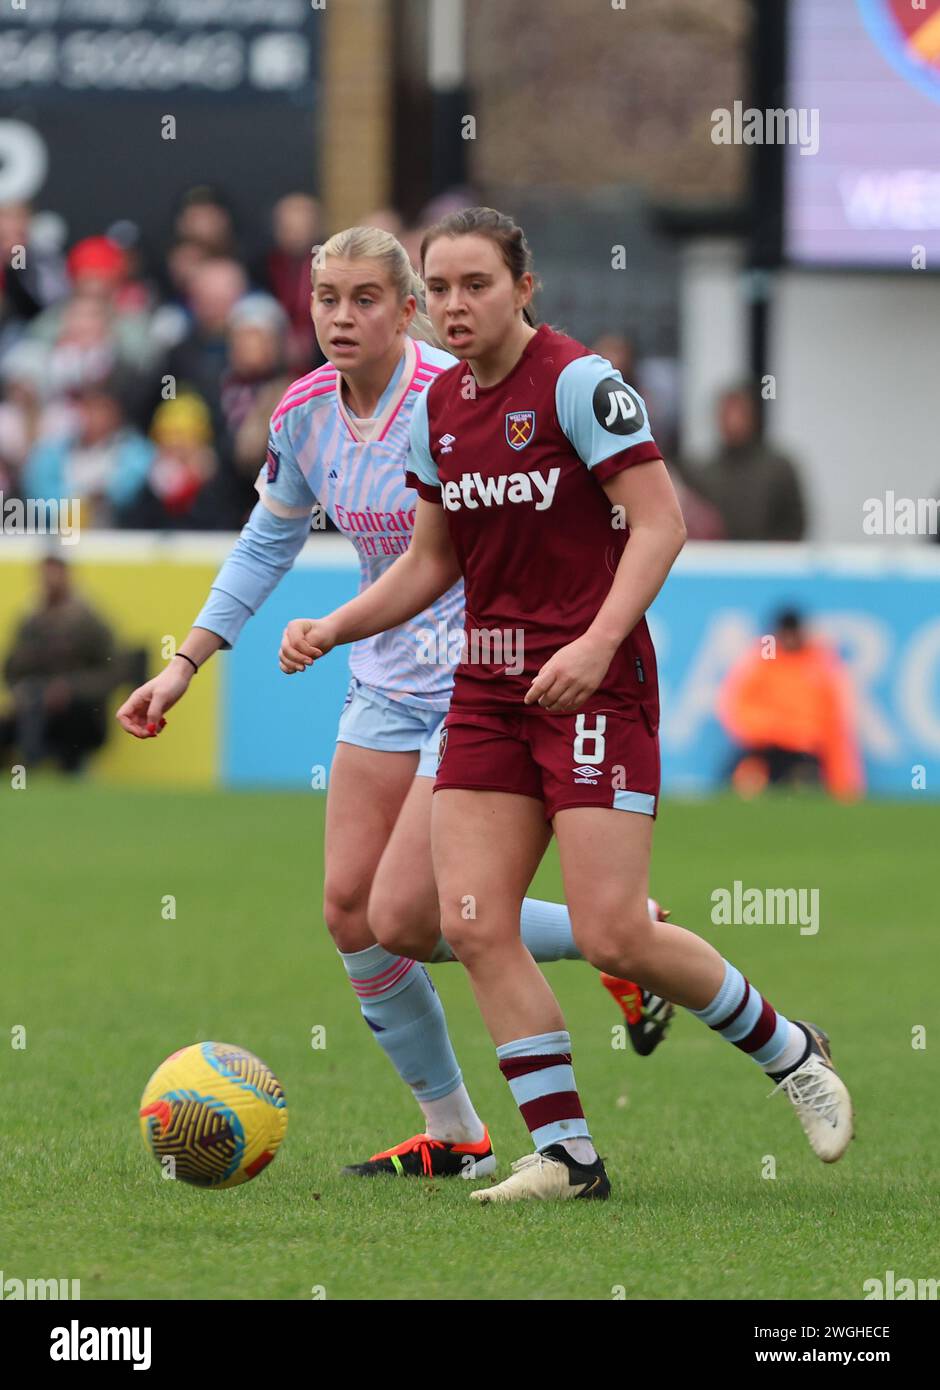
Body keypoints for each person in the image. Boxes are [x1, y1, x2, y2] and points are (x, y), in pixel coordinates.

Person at [279, 207, 854, 1204]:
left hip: (594, 687)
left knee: (615, 934)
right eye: (442, 288)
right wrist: (338, 622)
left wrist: (594, 644)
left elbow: (660, 524)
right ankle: (567, 1155)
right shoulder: (437, 410)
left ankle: (790, 1050)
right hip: (488, 690)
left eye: (477, 285)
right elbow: (431, 558)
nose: (457, 306)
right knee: (444, 917)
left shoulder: (580, 383)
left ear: (522, 287)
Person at [115, 225, 672, 1182]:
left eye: (364, 299)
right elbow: (263, 545)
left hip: (481, 678)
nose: (340, 317)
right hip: (382, 678)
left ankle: (616, 940)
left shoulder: (450, 395)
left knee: (420, 911)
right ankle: (456, 1129)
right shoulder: (301, 415)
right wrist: (186, 663)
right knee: (350, 913)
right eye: (326, 299)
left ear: (409, 308)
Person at [717, 609, 865, 800]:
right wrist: (772, 728)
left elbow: (834, 723)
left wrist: (846, 784)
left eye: (793, 634)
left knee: (804, 790)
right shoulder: (762, 660)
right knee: (743, 784)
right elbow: (738, 705)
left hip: (804, 750)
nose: (789, 640)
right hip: (764, 745)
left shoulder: (819, 663)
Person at [1, 555, 116, 774]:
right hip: (32, 706)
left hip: (79, 711)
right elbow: (11, 671)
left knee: (71, 723)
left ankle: (66, 772)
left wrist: (71, 688)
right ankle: (21, 775)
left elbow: (113, 671)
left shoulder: (89, 622)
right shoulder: (30, 622)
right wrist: (22, 687)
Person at [693, 383, 806, 541]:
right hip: (719, 561)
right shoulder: (704, 472)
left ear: (753, 416)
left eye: (738, 413)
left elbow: (795, 524)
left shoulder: (779, 468)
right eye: (726, 414)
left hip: (770, 561)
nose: (732, 421)